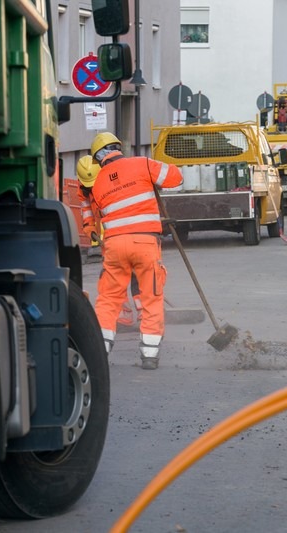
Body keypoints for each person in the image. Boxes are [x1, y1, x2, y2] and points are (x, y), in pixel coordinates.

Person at [89, 132, 183, 370]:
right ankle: (149, 355)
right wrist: (151, 176)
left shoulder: (98, 183)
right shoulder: (141, 164)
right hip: (144, 243)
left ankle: (100, 350)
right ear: (118, 148)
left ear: (99, 159)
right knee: (151, 296)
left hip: (114, 245)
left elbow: (100, 215)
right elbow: (175, 177)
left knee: (109, 298)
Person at [77, 156, 143, 328]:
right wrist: (90, 230)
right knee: (112, 277)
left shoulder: (115, 184)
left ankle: (144, 312)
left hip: (127, 235)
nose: (92, 188)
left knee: (138, 273)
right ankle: (123, 315)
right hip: (109, 241)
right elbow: (87, 212)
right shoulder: (84, 189)